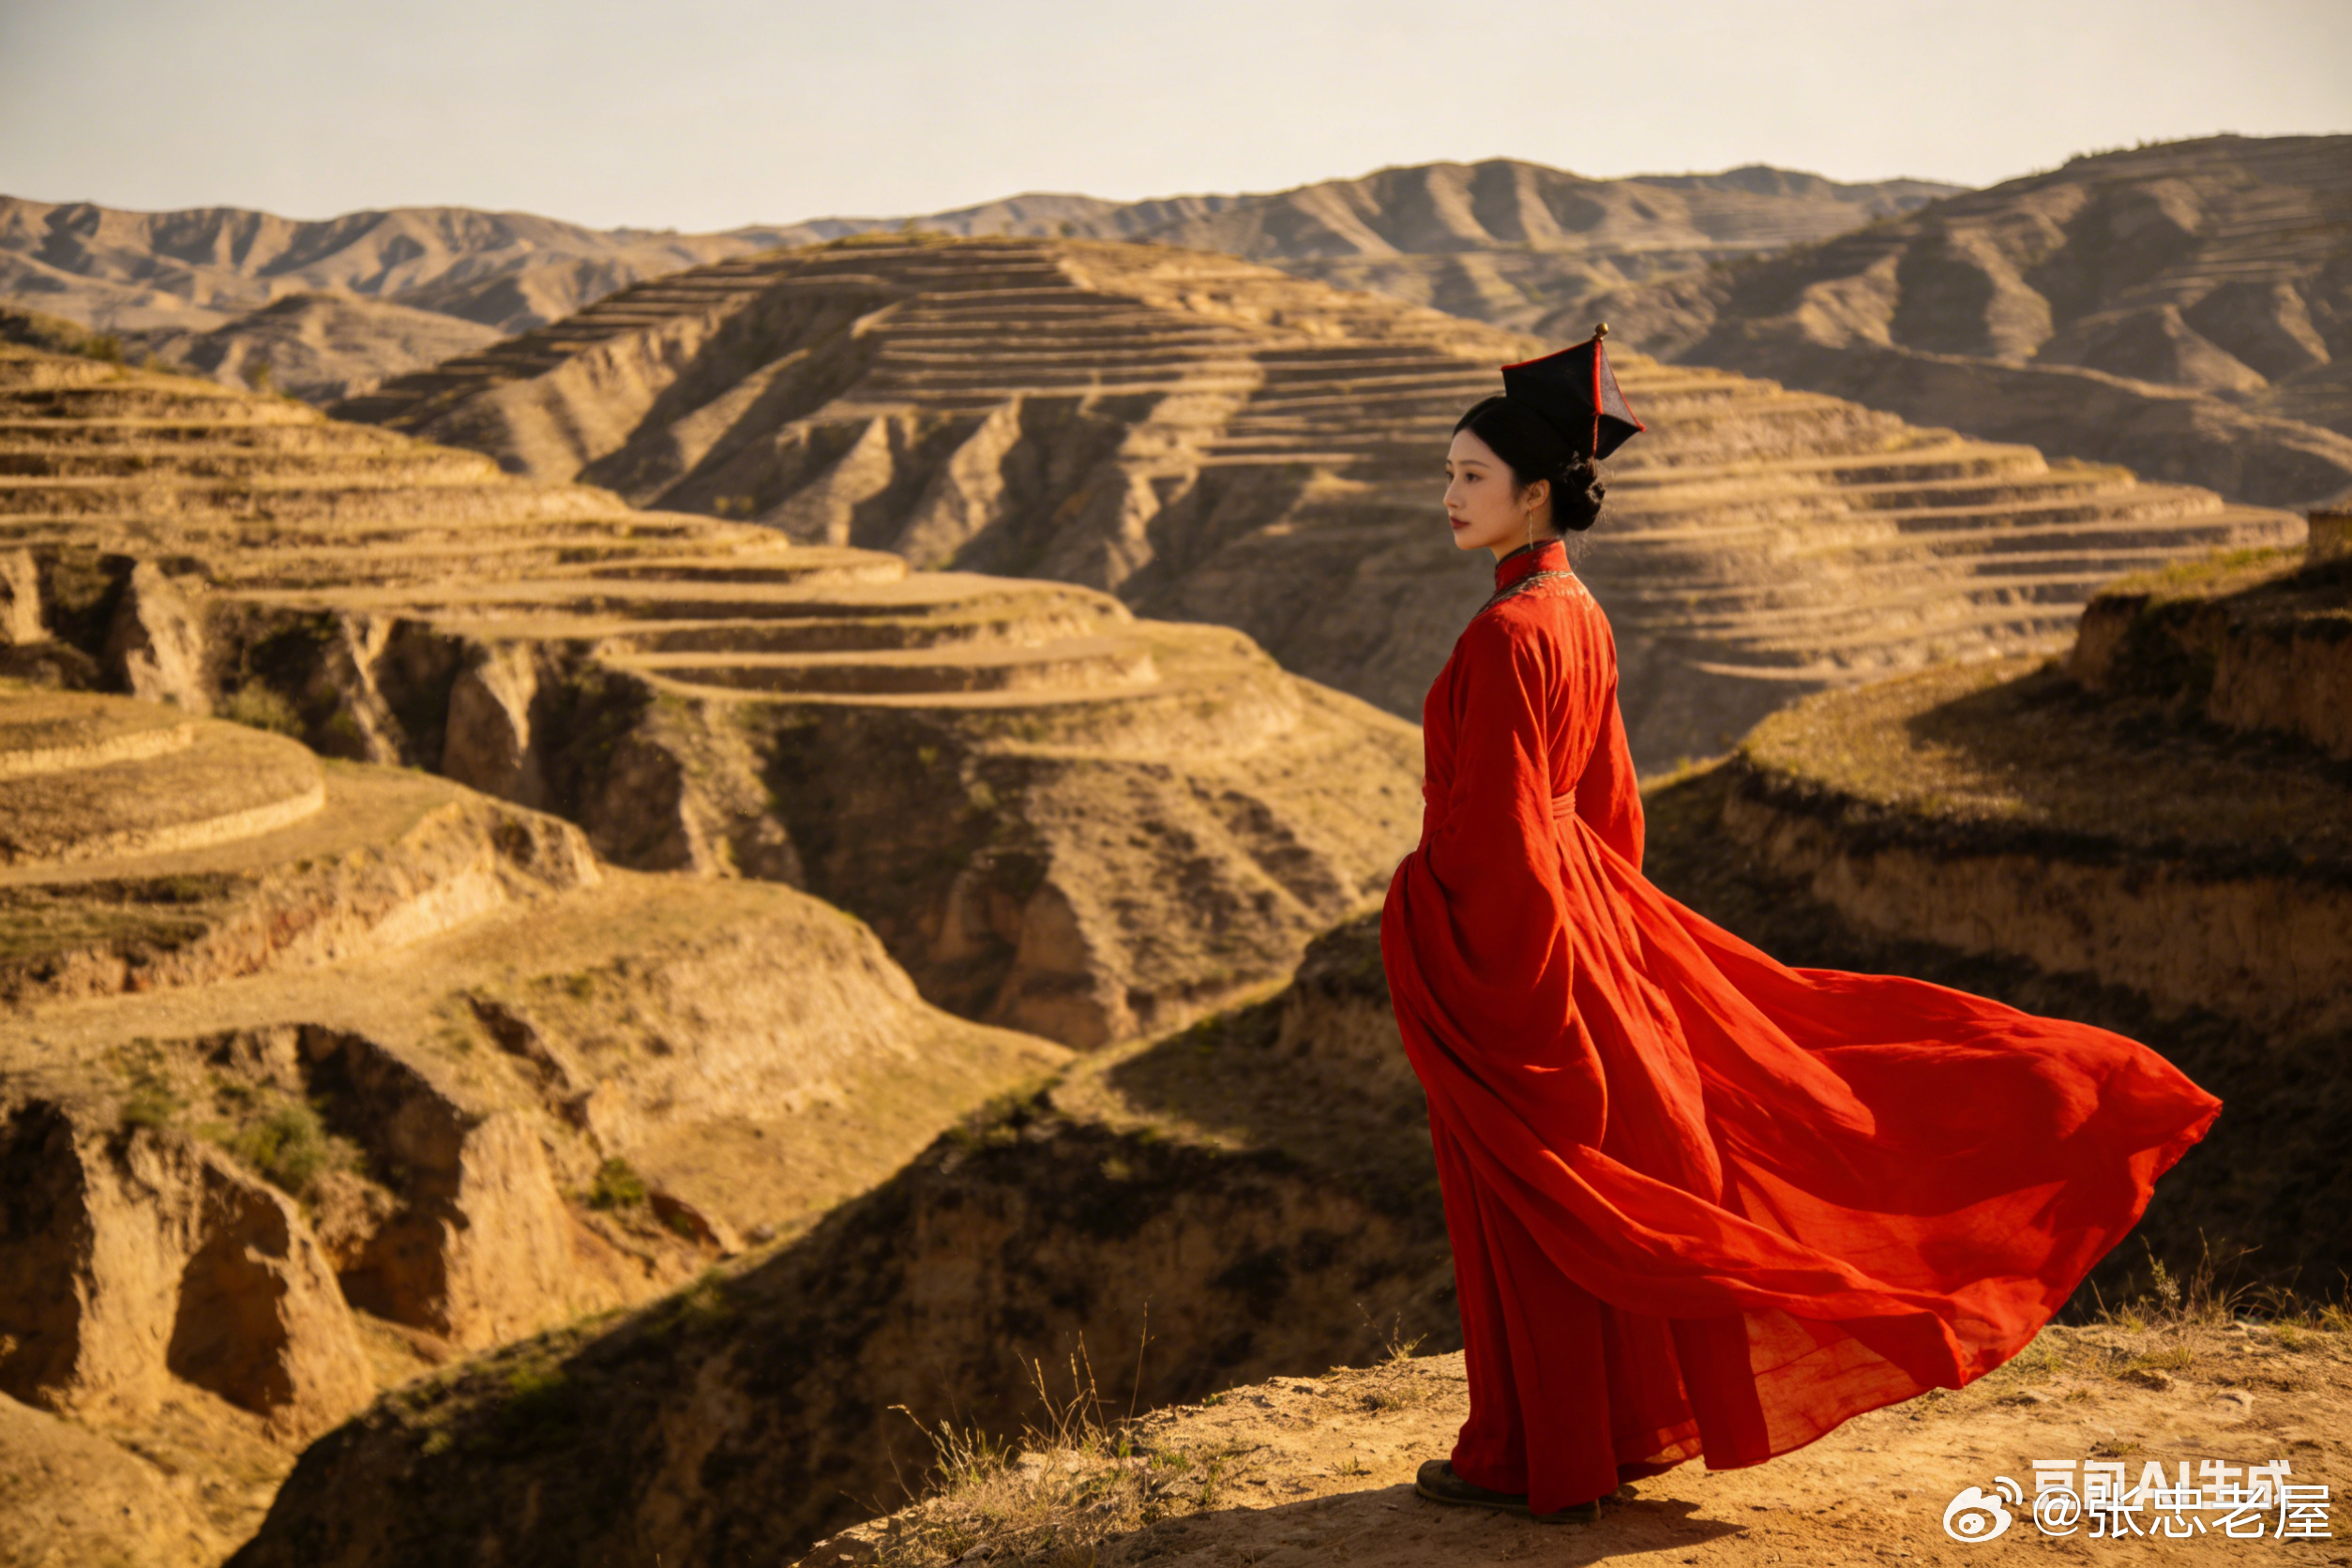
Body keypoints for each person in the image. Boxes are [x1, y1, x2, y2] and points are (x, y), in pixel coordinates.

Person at [1383, 327, 2221, 1522]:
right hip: (1587, 921)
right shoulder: (1573, 609)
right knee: (1606, 1182)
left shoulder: (1508, 633)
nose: (1448, 496)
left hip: (1522, 942)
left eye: (1468, 476)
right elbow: (1609, 801)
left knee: (1546, 1196)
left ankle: (1533, 1449)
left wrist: (1435, 918)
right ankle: (1591, 1433)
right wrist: (1613, 925)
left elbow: (1503, 836)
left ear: (1534, 491)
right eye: (1449, 474)